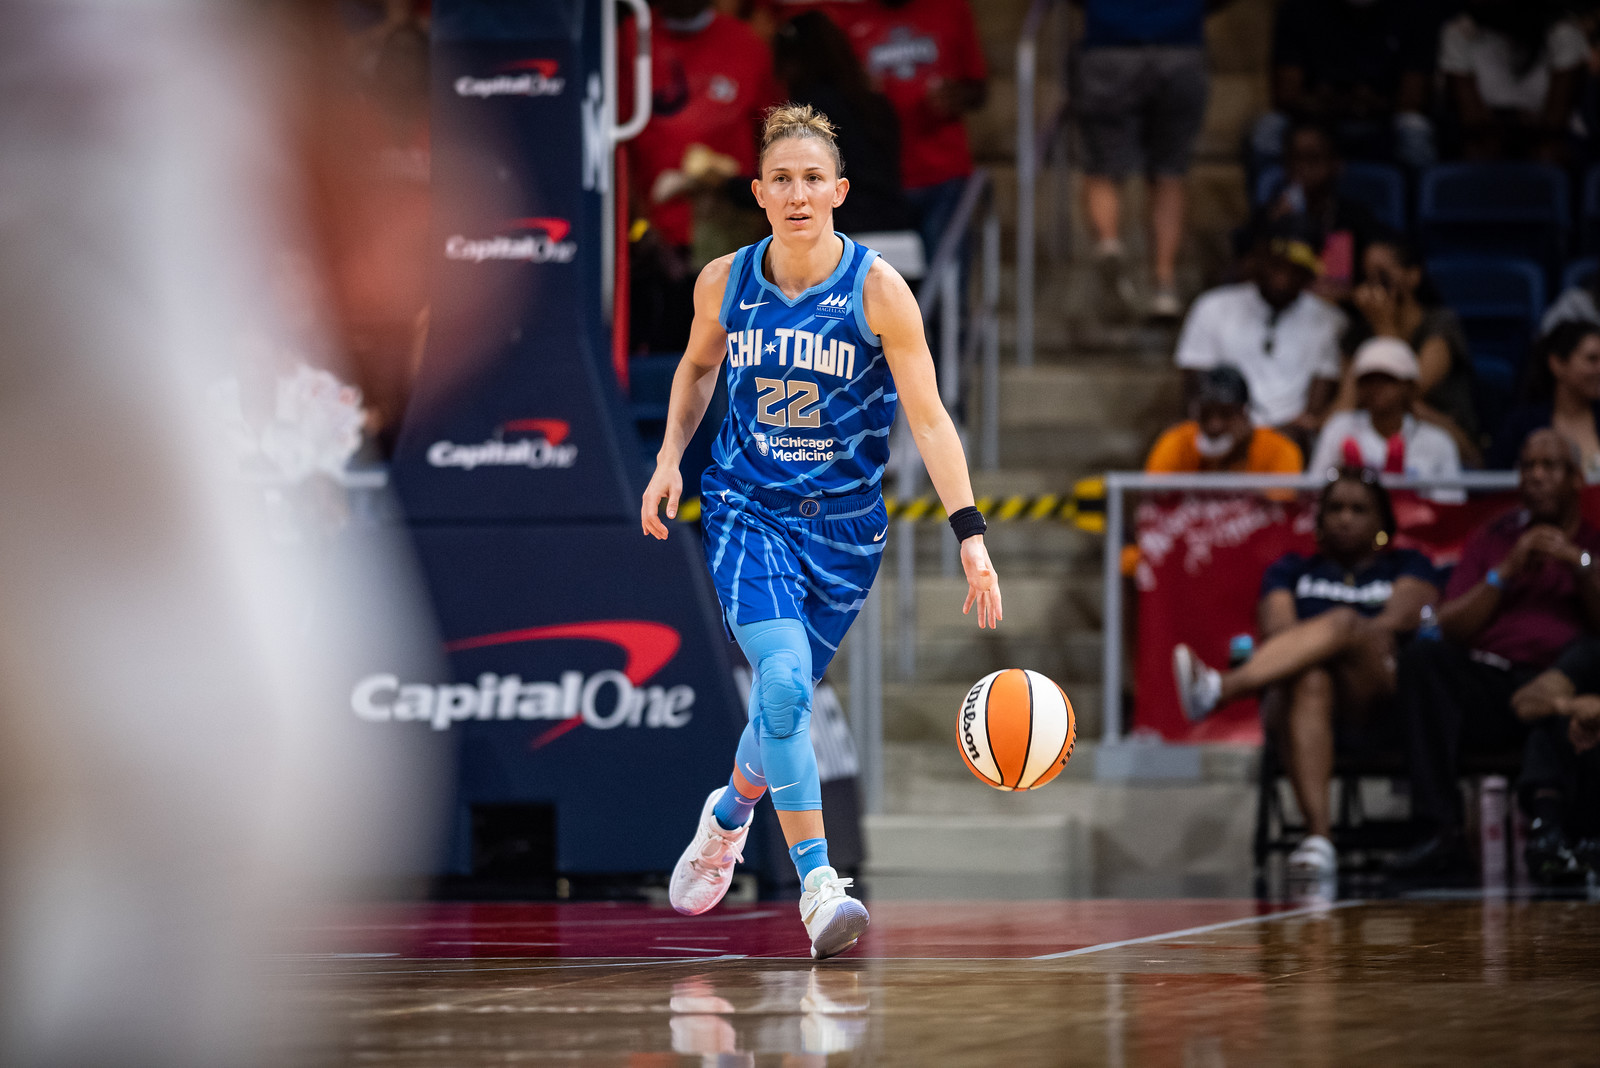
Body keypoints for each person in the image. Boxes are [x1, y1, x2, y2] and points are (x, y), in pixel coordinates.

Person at [640, 104, 1002, 959]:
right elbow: (696, 368)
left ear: (838, 190)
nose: (798, 194)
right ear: (758, 192)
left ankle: (727, 818)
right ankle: (818, 887)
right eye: (782, 180)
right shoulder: (724, 281)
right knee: (786, 684)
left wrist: (970, 531)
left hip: (843, 533)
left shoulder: (878, 290)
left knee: (780, 703)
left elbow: (930, 418)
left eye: (813, 180)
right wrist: (668, 460)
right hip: (746, 509)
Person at [1172, 468, 1440, 882]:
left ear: (1382, 522)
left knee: (1347, 624)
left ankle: (1223, 688)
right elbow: (1279, 632)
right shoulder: (1291, 569)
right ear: (1318, 520)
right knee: (1310, 677)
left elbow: (1394, 623)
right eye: (1334, 509)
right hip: (1307, 706)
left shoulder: (1410, 564)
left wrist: (1338, 632)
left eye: (1358, 509)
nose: (1345, 518)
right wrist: (1322, 646)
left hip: (1383, 698)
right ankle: (1319, 837)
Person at [1390, 430, 1600, 875]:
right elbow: (1449, 627)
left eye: (1549, 467)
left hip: (1564, 682)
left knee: (1571, 683)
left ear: (1577, 479)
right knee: (1423, 660)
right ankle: (1440, 830)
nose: (1536, 476)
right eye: (1527, 467)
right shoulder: (1495, 538)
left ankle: (1552, 830)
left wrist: (1579, 564)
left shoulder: (1593, 542)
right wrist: (1504, 572)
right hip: (1493, 683)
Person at [627, 0, 782, 349]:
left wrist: (769, 222)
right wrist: (637, 225)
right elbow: (616, 146)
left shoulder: (745, 43)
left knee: (739, 354)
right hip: (656, 241)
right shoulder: (630, 39)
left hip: (731, 236)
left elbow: (772, 137)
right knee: (669, 358)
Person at [1074, 0, 1221, 320]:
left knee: (1103, 168)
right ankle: (1164, 283)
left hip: (1110, 45)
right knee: (1169, 173)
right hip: (1179, 46)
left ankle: (1109, 242)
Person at [1175, 217, 1346, 452]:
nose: (1282, 278)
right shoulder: (1212, 308)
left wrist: (1279, 435)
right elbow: (1196, 388)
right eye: (1276, 265)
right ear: (1257, 261)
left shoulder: (1329, 320)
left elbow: (1316, 403)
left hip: (1290, 441)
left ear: (1310, 273)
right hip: (1221, 434)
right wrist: (1226, 426)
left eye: (1294, 269)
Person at [846, 0, 987, 266]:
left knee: (947, 290)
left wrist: (956, 95)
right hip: (880, 182)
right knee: (883, 296)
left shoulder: (952, 9)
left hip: (944, 175)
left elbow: (978, 89)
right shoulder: (851, 18)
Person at [1251, 0, 1441, 173]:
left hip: (1383, 121)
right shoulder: (1299, 9)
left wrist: (1370, 103)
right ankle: (1277, 207)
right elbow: (1287, 95)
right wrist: (1343, 102)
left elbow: (1413, 98)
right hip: (1315, 120)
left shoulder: (1412, 10)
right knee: (1269, 129)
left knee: (1416, 130)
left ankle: (1413, 207)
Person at [1339, 237, 1480, 464]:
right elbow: (1344, 410)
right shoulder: (1358, 334)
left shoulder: (1440, 324)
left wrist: (1384, 326)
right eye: (1366, 278)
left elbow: (1403, 392)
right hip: (1374, 438)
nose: (1373, 287)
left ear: (1413, 276)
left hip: (1440, 437)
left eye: (1382, 276)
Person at [771, 12, 912, 234]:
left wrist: (730, 185)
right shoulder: (875, 102)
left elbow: (793, 180)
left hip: (843, 237)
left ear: (794, 61)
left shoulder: (809, 110)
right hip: (896, 231)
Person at [1252, 121, 1395, 302]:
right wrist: (1272, 230)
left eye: (1313, 159)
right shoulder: (1270, 215)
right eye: (1295, 159)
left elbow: (1379, 274)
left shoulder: (1353, 217)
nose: (1302, 168)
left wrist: (1349, 294)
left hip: (1340, 315)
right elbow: (1239, 278)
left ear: (1336, 165)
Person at [1439, 0, 1587, 163]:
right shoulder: (1460, 31)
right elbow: (1471, 120)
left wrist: (1513, 123)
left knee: (1548, 152)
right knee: (1479, 150)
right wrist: (1515, 120)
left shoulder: (1562, 32)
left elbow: (1556, 121)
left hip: (1551, 137)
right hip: (1488, 136)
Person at [1308, 339, 1463, 493]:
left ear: (1409, 386)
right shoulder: (1339, 428)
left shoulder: (1438, 442)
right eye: (1368, 380)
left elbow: (1450, 505)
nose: (1376, 387)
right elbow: (1314, 493)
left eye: (1387, 379)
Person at [1508, 638, 1600, 884]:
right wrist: (1571, 707)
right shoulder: (1591, 651)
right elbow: (1524, 701)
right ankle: (1548, 834)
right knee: (1550, 723)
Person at [1145, 365, 1304, 475]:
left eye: (1226, 414)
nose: (1215, 425)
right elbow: (1154, 505)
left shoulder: (1278, 450)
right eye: (1206, 414)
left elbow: (1281, 513)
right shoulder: (1177, 443)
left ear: (1244, 413)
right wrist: (1218, 464)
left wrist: (1239, 457)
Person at [1488, 321, 1600, 478]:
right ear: (1557, 364)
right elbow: (1495, 487)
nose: (1599, 368)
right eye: (1592, 359)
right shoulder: (1521, 425)